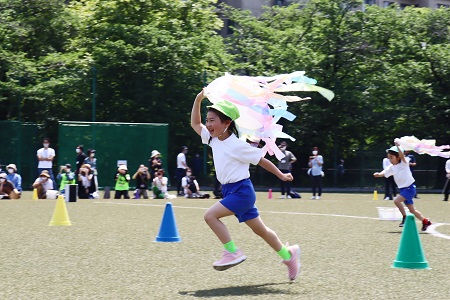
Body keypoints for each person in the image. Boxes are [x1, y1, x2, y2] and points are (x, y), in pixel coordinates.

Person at [191, 90, 300, 281]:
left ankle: (232, 252)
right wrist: (198, 98)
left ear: (227, 123)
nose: (208, 124)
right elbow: (194, 123)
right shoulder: (212, 138)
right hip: (230, 192)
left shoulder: (237, 145)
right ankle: (288, 255)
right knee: (261, 231)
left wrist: (281, 175)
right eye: (208, 120)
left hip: (242, 192)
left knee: (210, 216)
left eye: (212, 120)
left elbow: (262, 160)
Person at [373, 141, 432, 231]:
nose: (390, 160)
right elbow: (384, 173)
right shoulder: (392, 167)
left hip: (410, 189)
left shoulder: (404, 163)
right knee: (412, 210)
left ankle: (404, 217)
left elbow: (402, 156)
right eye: (389, 158)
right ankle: (426, 221)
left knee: (396, 201)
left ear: (398, 157)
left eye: (391, 157)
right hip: (403, 190)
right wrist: (378, 174)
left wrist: (398, 146)